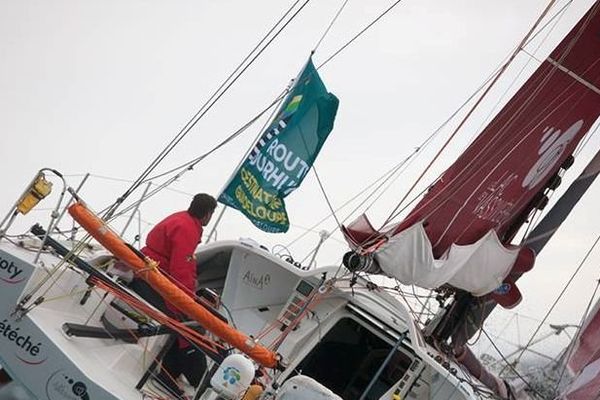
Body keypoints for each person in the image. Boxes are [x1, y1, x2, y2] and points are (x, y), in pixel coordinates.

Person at [129, 193, 217, 397]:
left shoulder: (180, 219)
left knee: (188, 324)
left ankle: (170, 374)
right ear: (208, 214)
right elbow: (180, 269)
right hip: (151, 281)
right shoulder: (188, 229)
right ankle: (198, 379)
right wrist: (188, 302)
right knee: (190, 327)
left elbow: (184, 264)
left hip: (148, 273)